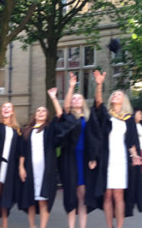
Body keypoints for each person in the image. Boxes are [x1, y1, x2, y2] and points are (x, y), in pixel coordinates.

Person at [18, 87, 76, 228]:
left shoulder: (49, 129)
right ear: (34, 115)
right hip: (30, 169)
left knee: (44, 200)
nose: (41, 112)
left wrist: (53, 97)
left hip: (46, 170)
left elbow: (60, 114)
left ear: (47, 115)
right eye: (38, 110)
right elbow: (22, 151)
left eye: (44, 111)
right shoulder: (27, 131)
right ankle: (32, 226)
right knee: (31, 200)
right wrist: (21, 167)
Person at [89, 70, 140, 228]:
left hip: (121, 160)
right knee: (108, 196)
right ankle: (109, 226)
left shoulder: (128, 119)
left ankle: (119, 226)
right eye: (114, 95)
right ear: (111, 100)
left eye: (119, 94)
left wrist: (135, 156)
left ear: (123, 99)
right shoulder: (106, 115)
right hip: (107, 160)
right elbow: (98, 104)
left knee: (119, 196)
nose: (116, 96)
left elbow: (131, 140)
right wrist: (99, 85)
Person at [0, 91, 21, 228]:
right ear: (1, 111)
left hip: (9, 166)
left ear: (12, 112)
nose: (6, 109)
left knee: (5, 196)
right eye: (4, 108)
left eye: (9, 108)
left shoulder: (16, 130)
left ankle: (4, 225)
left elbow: (19, 151)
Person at [60, 72, 90, 228]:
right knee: (71, 194)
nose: (76, 100)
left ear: (83, 102)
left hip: (84, 158)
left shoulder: (87, 118)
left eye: (79, 98)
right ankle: (71, 226)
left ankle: (82, 226)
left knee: (82, 195)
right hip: (70, 157)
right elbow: (65, 106)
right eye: (74, 99)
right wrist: (71, 87)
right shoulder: (68, 117)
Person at [134, 109, 142, 211]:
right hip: (138, 151)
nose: (141, 115)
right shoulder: (133, 126)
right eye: (139, 113)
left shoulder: (139, 126)